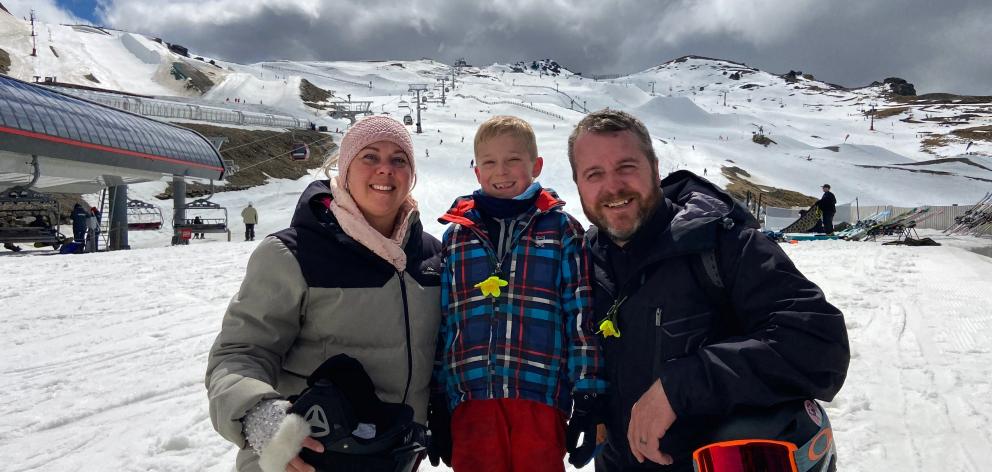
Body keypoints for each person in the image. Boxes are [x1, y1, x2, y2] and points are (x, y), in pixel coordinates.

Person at [566, 109, 850, 471]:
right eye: (594, 174)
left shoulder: (722, 244)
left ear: (654, 168)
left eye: (626, 167)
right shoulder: (581, 263)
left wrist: (681, 386)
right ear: (578, 184)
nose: (613, 187)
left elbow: (820, 343)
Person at [205, 115, 442, 472]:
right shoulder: (293, 254)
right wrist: (261, 419)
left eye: (399, 160)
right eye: (370, 156)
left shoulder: (431, 259)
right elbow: (240, 353)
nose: (385, 169)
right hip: (301, 460)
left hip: (390, 459)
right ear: (344, 169)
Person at [430, 115, 607, 471]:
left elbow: (580, 316)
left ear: (536, 165)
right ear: (476, 171)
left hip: (539, 396)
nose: (501, 171)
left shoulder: (562, 231)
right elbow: (444, 322)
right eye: (489, 162)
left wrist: (588, 390)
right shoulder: (457, 238)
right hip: (471, 398)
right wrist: (437, 396)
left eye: (513, 159)